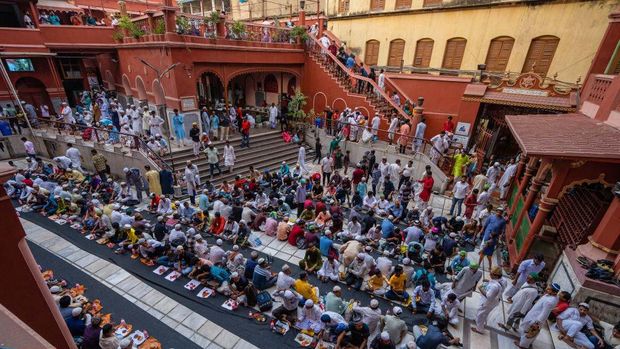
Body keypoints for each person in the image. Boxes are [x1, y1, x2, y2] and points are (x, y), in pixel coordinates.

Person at [516, 283, 560, 349]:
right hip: (534, 314)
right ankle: (526, 343)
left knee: (528, 331)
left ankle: (523, 345)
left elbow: (544, 313)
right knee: (529, 332)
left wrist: (536, 323)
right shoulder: (553, 296)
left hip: (535, 318)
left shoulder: (550, 301)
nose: (546, 289)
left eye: (549, 289)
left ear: (554, 292)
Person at [472, 267, 504, 334]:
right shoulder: (500, 281)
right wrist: (489, 282)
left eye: (491, 274)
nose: (490, 275)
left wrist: (480, 288)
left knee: (481, 315)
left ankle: (479, 329)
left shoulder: (495, 286)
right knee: (481, 313)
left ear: (496, 276)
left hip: (488, 302)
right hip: (491, 302)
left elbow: (489, 296)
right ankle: (478, 321)